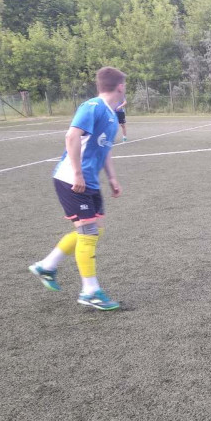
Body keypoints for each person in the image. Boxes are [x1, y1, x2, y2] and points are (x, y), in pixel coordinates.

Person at [28, 67, 126, 310]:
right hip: (71, 179)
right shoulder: (92, 106)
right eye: (125, 85)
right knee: (88, 233)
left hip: (90, 181)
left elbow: (104, 149)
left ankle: (46, 266)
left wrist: (112, 178)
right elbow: (71, 137)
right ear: (120, 86)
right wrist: (78, 173)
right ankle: (89, 291)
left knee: (95, 231)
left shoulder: (112, 114)